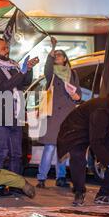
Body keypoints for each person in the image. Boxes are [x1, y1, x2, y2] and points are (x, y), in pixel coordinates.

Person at [57, 88, 109, 206]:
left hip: (103, 129)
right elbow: (96, 142)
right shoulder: (102, 110)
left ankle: (104, 195)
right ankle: (79, 191)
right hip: (78, 129)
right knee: (78, 157)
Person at [0, 37, 39, 176]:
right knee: (2, 152)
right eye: (3, 48)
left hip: (16, 114)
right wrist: (21, 72)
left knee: (17, 153)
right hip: (0, 116)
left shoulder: (12, 65)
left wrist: (28, 70)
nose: (7, 51)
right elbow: (3, 86)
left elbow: (24, 82)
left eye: (7, 48)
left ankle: (15, 183)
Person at [36, 36, 82, 189]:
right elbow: (47, 67)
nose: (57, 57)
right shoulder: (52, 73)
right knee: (49, 146)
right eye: (56, 55)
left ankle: (60, 177)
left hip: (67, 114)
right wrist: (52, 48)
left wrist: (75, 95)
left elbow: (78, 95)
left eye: (60, 55)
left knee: (63, 147)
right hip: (53, 114)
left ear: (65, 59)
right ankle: (41, 177)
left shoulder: (72, 74)